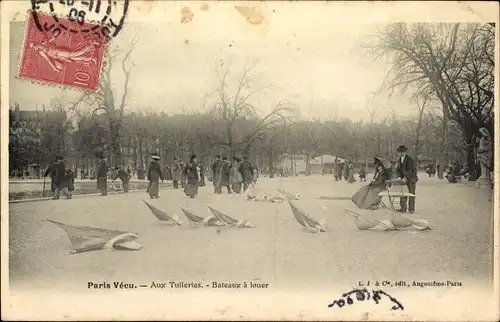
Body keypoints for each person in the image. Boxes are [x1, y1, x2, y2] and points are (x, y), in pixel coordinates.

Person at [395, 145, 418, 213]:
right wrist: (399, 176)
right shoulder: (399, 160)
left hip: (411, 179)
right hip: (403, 180)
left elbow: (411, 170)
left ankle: (411, 209)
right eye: (400, 152)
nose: (401, 153)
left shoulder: (409, 159)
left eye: (402, 152)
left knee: (411, 194)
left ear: (405, 152)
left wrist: (406, 177)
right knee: (403, 194)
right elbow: (398, 170)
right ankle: (403, 208)